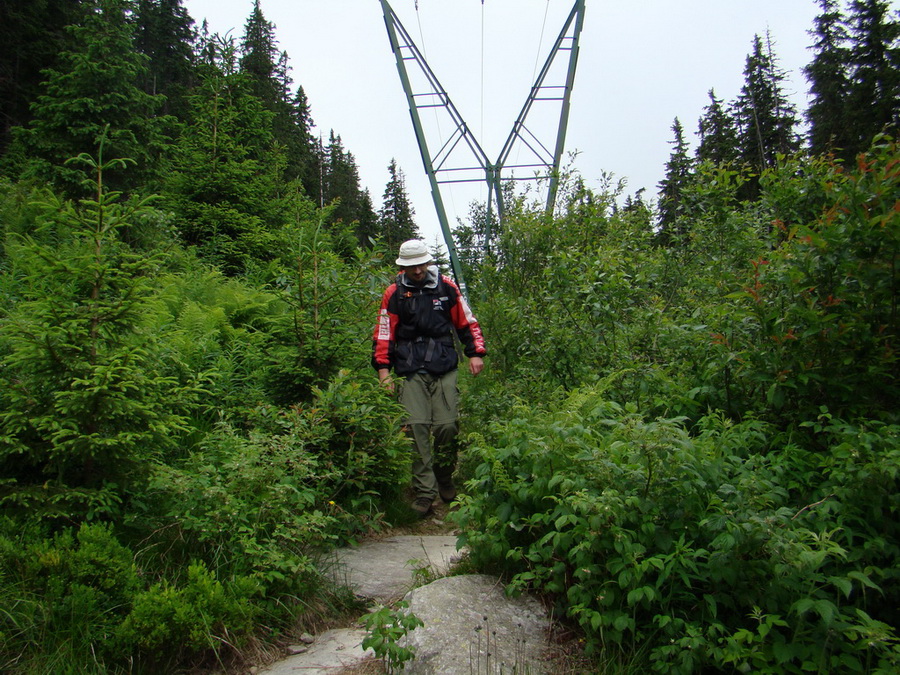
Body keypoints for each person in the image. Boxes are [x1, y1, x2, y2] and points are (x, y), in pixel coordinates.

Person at [372, 239, 486, 516]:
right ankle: (424, 491)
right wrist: (383, 371)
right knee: (415, 428)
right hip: (409, 367)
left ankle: (444, 476)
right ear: (403, 267)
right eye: (412, 266)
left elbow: (466, 320)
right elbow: (384, 332)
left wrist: (475, 352)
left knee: (448, 427)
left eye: (421, 264)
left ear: (428, 262)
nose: (418, 270)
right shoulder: (394, 293)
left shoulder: (446, 287)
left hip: (444, 362)